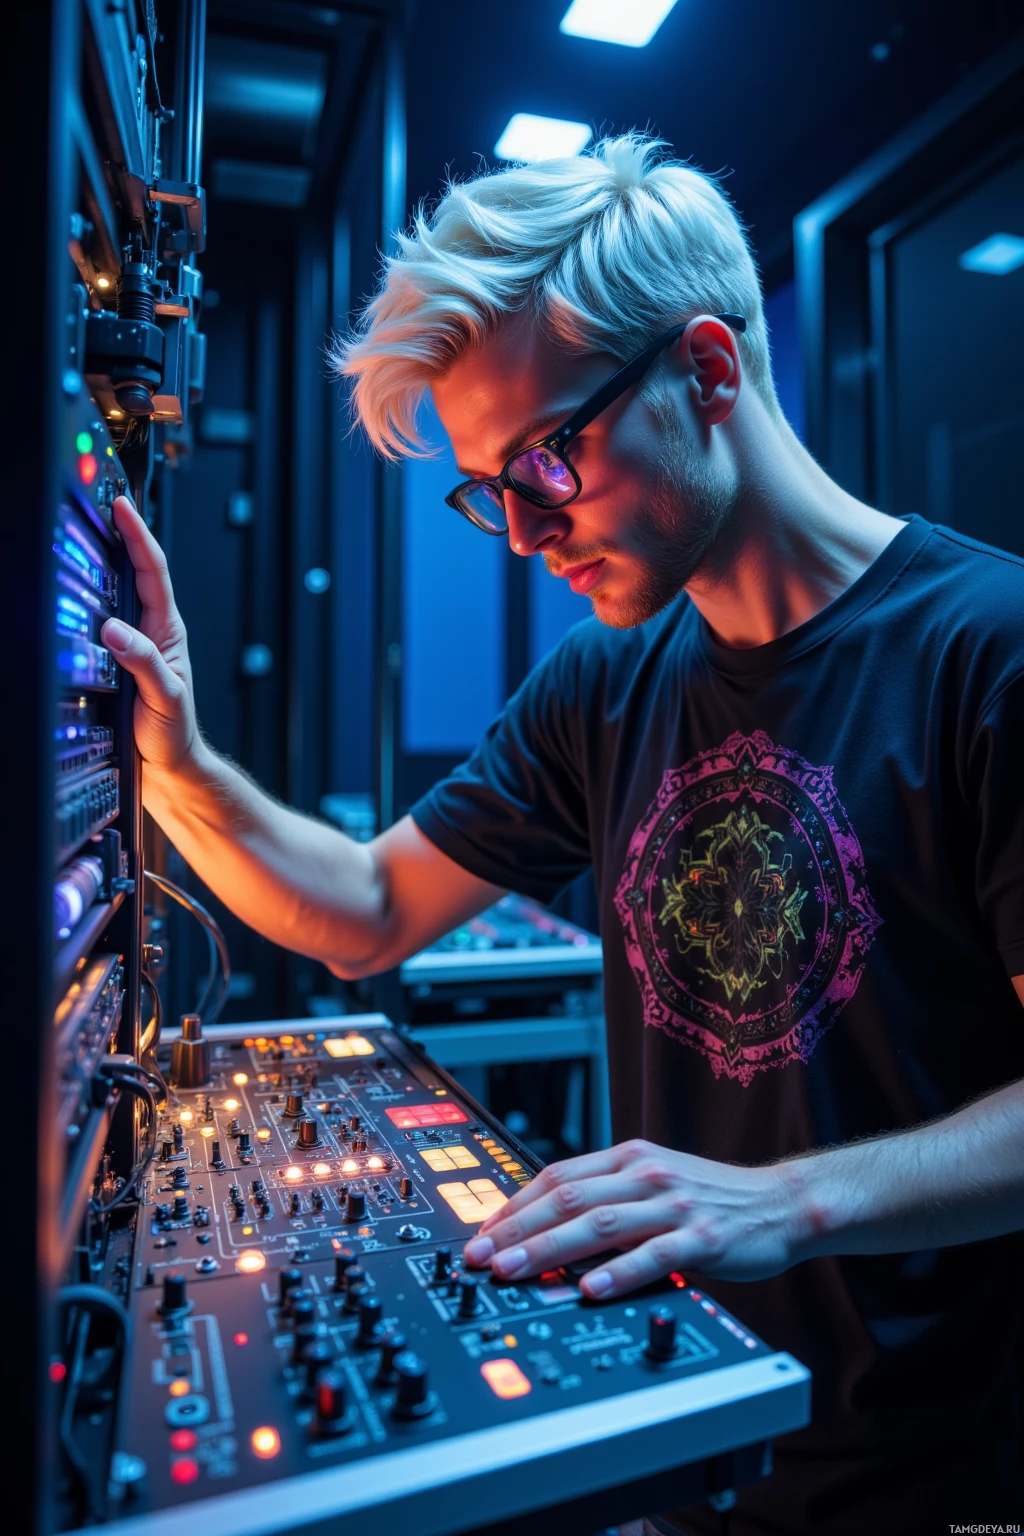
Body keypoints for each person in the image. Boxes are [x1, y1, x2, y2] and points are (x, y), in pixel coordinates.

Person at [101, 135, 1024, 1534]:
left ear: (708, 373)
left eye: (547, 459)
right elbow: (363, 911)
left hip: (937, 1480)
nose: (523, 535)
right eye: (492, 490)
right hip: (681, 1430)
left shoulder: (988, 652)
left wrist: (795, 1201)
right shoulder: (606, 680)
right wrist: (177, 760)